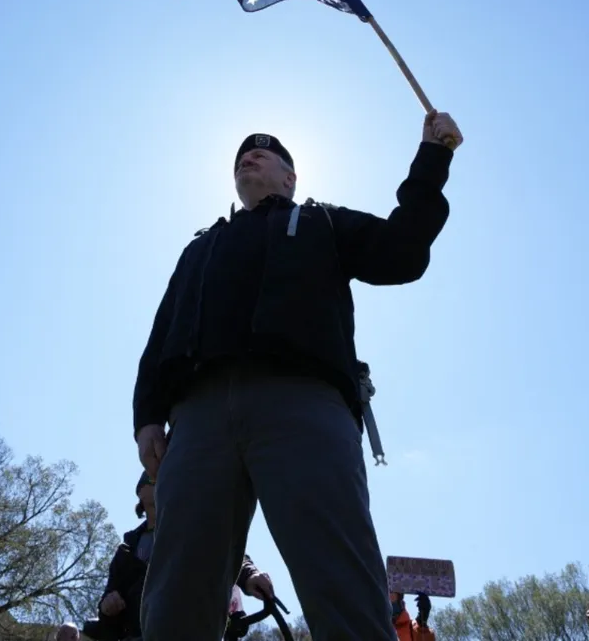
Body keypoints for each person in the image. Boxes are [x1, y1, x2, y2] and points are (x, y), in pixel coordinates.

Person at [133, 115, 460, 641]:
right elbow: (162, 334)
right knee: (177, 586)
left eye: (267, 153)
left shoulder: (322, 223)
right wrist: (147, 415)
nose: (250, 156)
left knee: (340, 576)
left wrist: (432, 157)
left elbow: (403, 250)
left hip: (304, 404)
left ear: (291, 178)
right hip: (198, 418)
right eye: (242, 154)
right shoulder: (199, 248)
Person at [90, 473, 275, 641]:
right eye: (155, 479)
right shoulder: (127, 550)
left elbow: (226, 551)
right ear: (140, 492)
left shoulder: (195, 529)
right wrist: (107, 608)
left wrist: (251, 575)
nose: (164, 482)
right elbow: (108, 607)